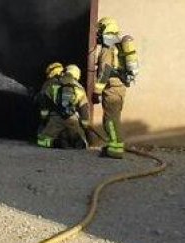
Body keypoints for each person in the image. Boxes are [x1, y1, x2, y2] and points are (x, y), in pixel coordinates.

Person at [90, 17, 139, 159]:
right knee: (115, 118)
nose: (98, 33)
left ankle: (115, 149)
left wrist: (97, 91)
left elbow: (105, 70)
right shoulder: (117, 45)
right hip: (120, 87)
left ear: (106, 28)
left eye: (100, 29)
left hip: (112, 88)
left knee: (110, 120)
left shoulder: (108, 47)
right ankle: (114, 145)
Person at [36, 64, 89, 149]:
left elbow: (44, 101)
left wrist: (44, 117)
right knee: (84, 143)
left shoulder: (53, 84)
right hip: (72, 119)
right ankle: (76, 141)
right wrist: (84, 125)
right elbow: (84, 108)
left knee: (42, 141)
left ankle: (56, 143)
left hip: (55, 118)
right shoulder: (80, 88)